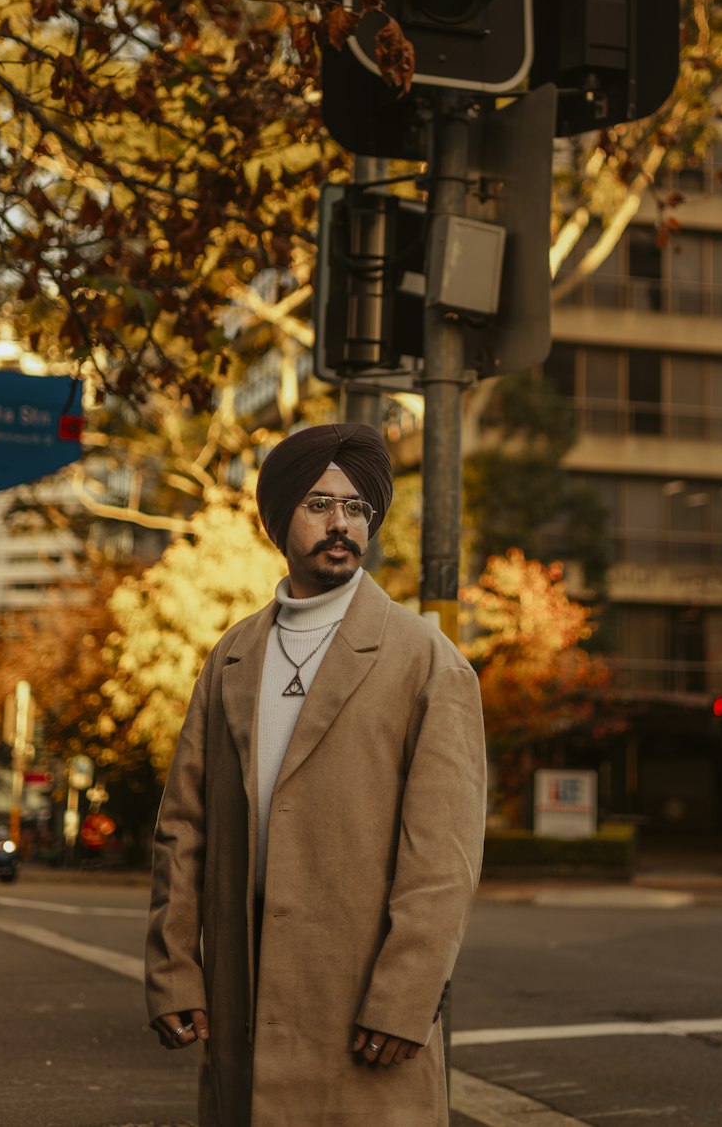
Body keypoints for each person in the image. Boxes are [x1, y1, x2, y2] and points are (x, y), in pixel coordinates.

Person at [145, 422, 487, 1127]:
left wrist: (406, 997)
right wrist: (175, 967)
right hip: (245, 1009)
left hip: (362, 1012)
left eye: (357, 507)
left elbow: (444, 861)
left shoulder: (427, 660)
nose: (341, 522)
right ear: (279, 520)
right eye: (319, 503)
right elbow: (183, 830)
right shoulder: (233, 656)